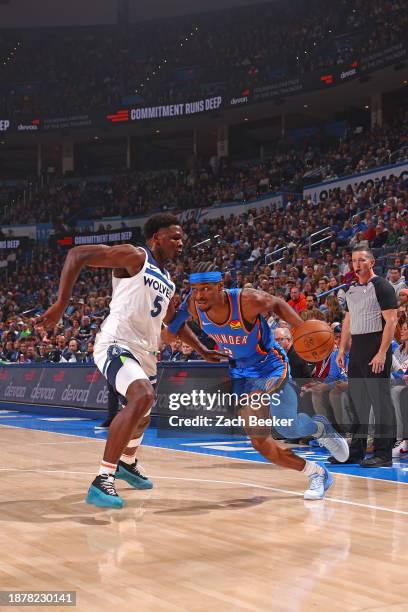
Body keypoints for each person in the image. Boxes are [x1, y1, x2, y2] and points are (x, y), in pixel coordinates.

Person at [39, 214, 224, 508]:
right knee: (143, 396)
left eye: (181, 238)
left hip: (147, 353)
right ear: (155, 239)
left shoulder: (169, 282)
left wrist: (202, 350)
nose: (180, 242)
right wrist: (62, 304)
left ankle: (127, 461)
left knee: (143, 412)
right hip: (116, 342)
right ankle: (103, 479)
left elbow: (174, 322)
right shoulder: (136, 256)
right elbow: (78, 254)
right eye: (173, 237)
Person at [169, 263, 349, 500]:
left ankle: (320, 428)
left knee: (281, 422)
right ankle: (318, 471)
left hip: (270, 365)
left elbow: (276, 303)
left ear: (220, 286)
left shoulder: (246, 300)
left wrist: (301, 330)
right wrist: (202, 350)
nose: (199, 294)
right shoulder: (193, 303)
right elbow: (173, 326)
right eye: (195, 288)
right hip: (242, 373)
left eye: (206, 288)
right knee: (263, 442)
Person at [337, 247, 398, 467]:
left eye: (362, 260)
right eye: (354, 260)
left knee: (380, 403)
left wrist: (382, 352)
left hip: (376, 347)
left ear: (371, 262)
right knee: (358, 404)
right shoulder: (350, 288)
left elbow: (391, 321)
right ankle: (356, 452)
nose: (357, 264)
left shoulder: (382, 286)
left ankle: (384, 455)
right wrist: (342, 349)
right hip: (357, 349)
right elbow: (348, 321)